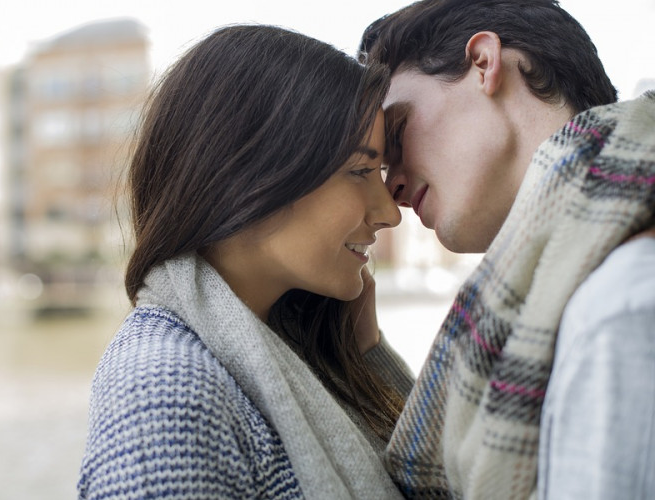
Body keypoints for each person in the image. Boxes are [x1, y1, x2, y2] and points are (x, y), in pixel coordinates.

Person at [77, 24, 415, 499]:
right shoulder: (166, 394)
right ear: (250, 175)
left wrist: (367, 355)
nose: (389, 213)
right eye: (360, 171)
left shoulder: (298, 348)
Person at [360, 1, 655, 498]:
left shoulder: (622, 302)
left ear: (483, 63)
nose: (390, 187)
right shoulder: (554, 295)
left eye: (397, 133)